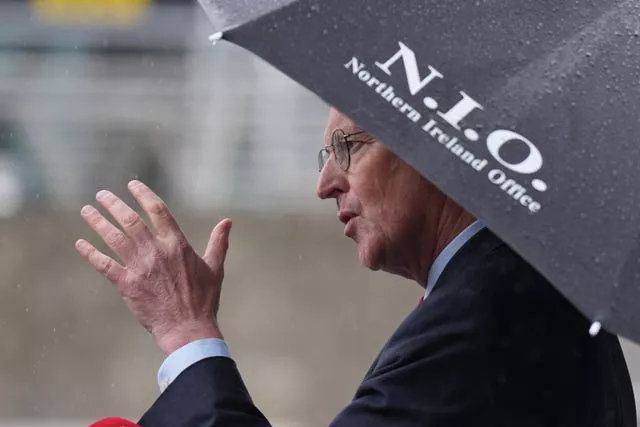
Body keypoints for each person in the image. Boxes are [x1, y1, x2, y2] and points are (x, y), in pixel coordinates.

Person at [75, 109, 637, 427]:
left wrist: (186, 329)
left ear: (436, 147)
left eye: (348, 148)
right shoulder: (513, 287)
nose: (325, 185)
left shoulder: (490, 313)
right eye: (325, 156)